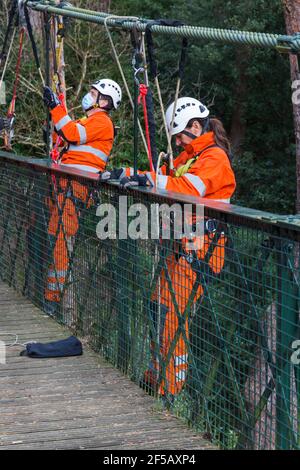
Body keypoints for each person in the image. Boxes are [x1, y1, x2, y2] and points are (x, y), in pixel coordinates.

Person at [104, 97, 236, 398]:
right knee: (158, 308)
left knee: (174, 316)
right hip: (182, 246)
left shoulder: (214, 159)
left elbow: (187, 188)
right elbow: (166, 181)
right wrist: (133, 175)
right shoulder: (191, 157)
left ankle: (170, 387)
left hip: (201, 250)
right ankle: (157, 373)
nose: (177, 141)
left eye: (180, 134)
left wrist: (144, 178)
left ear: (195, 126)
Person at [42, 78, 122, 316]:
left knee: (60, 244)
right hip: (65, 188)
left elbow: (71, 133)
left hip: (74, 190)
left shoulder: (102, 122)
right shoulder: (90, 121)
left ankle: (52, 300)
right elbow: (66, 132)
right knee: (54, 239)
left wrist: (56, 106)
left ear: (104, 100)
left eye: (92, 92)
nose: (88, 95)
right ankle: (51, 297)